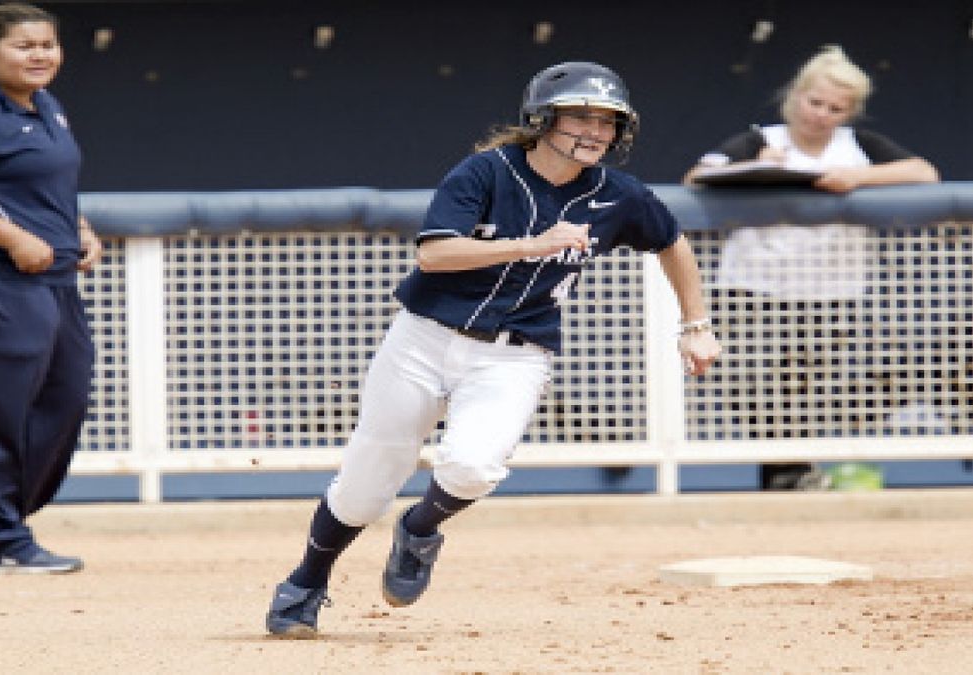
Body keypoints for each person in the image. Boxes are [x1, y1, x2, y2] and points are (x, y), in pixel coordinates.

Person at [265, 61, 721, 637]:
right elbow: (433, 255)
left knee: (474, 466)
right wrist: (530, 245)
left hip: (514, 353)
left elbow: (672, 242)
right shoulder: (486, 172)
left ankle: (421, 528)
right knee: (365, 483)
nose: (595, 131)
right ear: (543, 119)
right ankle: (307, 581)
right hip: (422, 340)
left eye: (608, 122)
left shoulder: (617, 195)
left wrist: (695, 323)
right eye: (581, 116)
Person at [684, 45, 938, 490]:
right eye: (814, 102)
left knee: (811, 387)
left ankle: (793, 476)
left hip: (831, 289)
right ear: (795, 98)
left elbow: (924, 173)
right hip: (755, 285)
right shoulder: (763, 139)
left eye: (835, 108)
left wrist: (858, 178)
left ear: (849, 113)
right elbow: (696, 177)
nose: (821, 114)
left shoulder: (858, 147)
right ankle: (788, 475)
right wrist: (756, 166)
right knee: (752, 384)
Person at [0, 3, 101, 574]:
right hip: (6, 282)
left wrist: (80, 228)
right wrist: (9, 236)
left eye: (49, 45)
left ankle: (7, 522)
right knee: (3, 409)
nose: (40, 55)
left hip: (58, 281)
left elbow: (52, 184)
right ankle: (4, 537)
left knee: (64, 399)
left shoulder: (47, 107)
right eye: (23, 45)